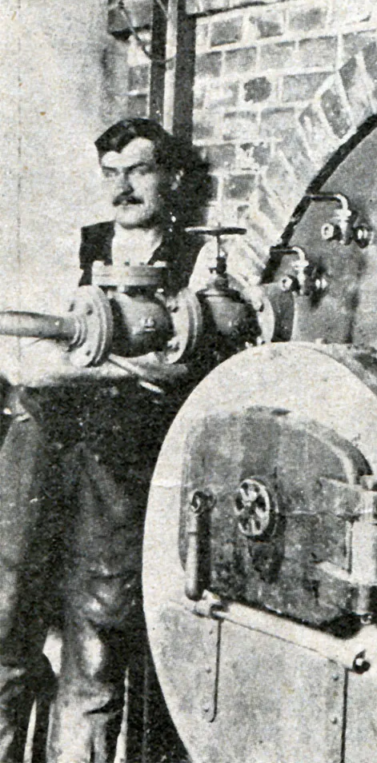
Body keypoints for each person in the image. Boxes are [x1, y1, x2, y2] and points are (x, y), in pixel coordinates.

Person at [0, 118, 206, 763]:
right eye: (112, 174)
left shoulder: (199, 257)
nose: (123, 188)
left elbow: (181, 367)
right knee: (4, 616)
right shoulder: (82, 243)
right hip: (42, 449)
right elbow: (28, 361)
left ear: (172, 177)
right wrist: (123, 361)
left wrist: (85, 360)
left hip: (121, 460)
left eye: (139, 171)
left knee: (97, 640)